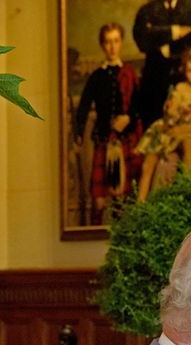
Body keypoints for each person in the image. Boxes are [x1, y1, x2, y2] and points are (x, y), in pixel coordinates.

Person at [72, 22, 143, 224]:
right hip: (103, 139)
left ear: (120, 43)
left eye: (116, 41)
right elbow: (83, 106)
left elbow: (139, 106)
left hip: (124, 141)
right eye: (108, 42)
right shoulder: (96, 76)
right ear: (103, 45)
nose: (112, 46)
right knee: (99, 200)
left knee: (121, 196)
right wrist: (77, 135)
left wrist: (128, 117)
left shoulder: (130, 74)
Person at [135, 45, 191, 201]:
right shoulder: (181, 88)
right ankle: (141, 202)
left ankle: (188, 186)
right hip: (173, 126)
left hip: (190, 131)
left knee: (187, 143)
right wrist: (172, 111)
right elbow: (171, 111)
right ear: (184, 71)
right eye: (190, 70)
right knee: (149, 163)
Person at [132, 0, 191, 131]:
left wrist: (155, 33)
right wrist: (173, 31)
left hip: (186, 80)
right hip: (154, 82)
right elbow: (142, 40)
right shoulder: (147, 10)